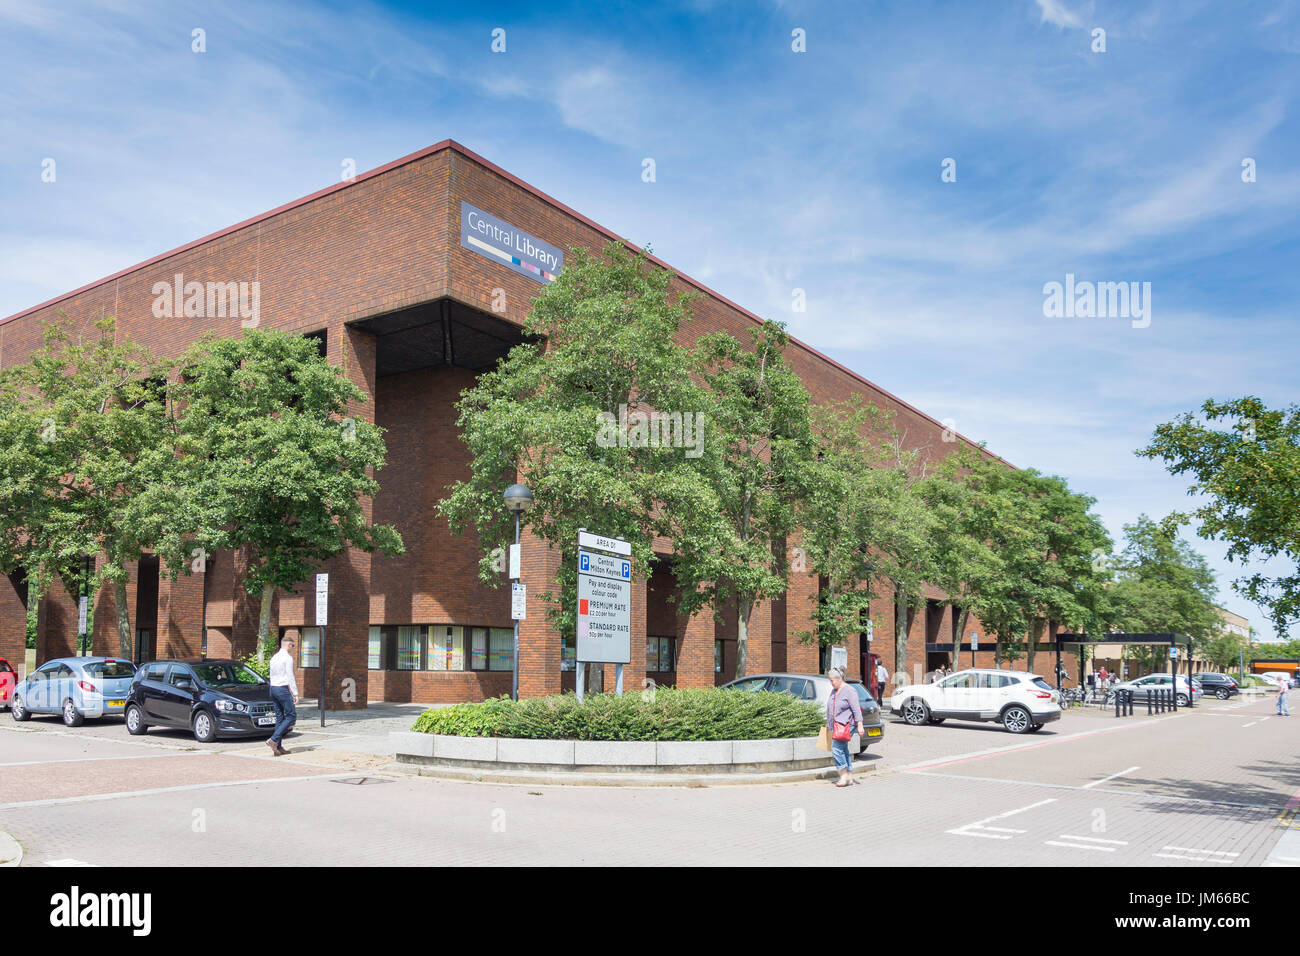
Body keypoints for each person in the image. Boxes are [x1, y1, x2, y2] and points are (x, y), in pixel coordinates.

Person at [826, 667, 865, 787]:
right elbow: (830, 708)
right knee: (843, 749)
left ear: (840, 679)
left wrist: (860, 725)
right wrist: (828, 725)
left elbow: (856, 709)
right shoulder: (834, 691)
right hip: (836, 725)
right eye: (830, 680)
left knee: (836, 748)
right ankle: (849, 776)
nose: (831, 683)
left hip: (847, 724)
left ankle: (843, 775)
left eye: (832, 680)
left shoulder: (849, 691)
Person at [268, 633, 300, 755]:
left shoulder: (274, 657)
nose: (292, 649)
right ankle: (274, 739)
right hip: (282, 689)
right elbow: (290, 676)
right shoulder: (287, 658)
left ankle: (278, 747)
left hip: (273, 688)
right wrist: (295, 694)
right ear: (289, 645)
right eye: (292, 646)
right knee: (291, 716)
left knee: (280, 718)